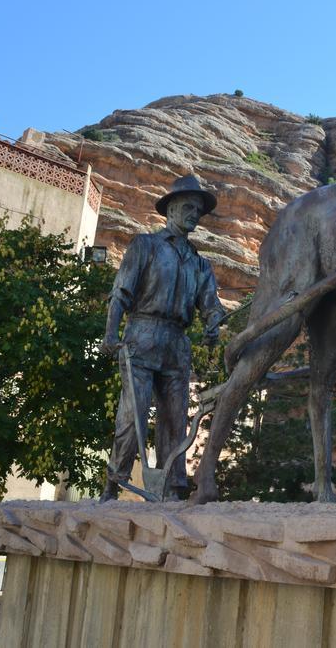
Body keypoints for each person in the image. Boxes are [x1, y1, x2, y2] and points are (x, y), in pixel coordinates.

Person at [99, 175, 225, 501]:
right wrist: (110, 333)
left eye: (198, 209)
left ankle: (173, 487)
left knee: (174, 420)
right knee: (133, 414)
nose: (194, 214)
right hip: (141, 334)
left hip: (177, 344)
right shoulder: (146, 246)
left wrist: (214, 324)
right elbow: (120, 292)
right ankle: (115, 482)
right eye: (188, 207)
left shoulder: (201, 264)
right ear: (170, 209)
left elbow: (211, 306)